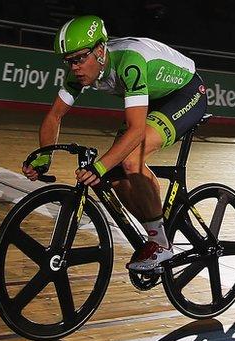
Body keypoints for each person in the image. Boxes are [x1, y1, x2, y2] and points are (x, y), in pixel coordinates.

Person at [22, 15, 208, 271]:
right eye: (69, 61)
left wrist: (98, 167)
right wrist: (43, 157)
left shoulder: (129, 62)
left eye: (79, 59)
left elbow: (136, 130)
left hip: (184, 93)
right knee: (115, 175)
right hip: (151, 95)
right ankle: (156, 230)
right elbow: (54, 115)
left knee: (130, 160)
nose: (74, 67)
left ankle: (162, 246)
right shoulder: (80, 71)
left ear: (100, 51)